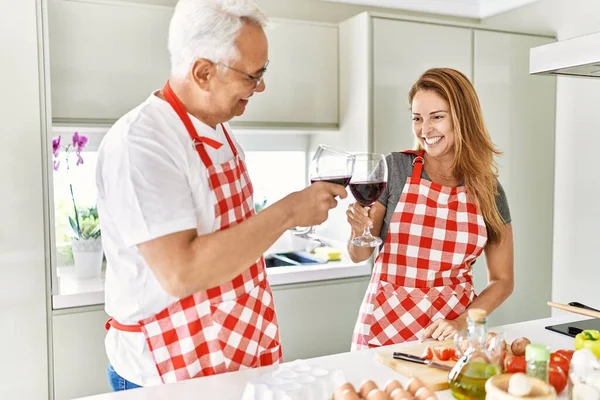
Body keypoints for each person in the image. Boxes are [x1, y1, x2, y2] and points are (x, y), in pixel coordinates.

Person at [96, 0, 346, 390]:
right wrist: (288, 213)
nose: (260, 86)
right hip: (165, 371)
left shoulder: (217, 129)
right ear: (203, 72)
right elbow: (182, 273)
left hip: (231, 356)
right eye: (252, 75)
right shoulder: (142, 143)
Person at [347, 68, 514, 350]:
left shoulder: (489, 189)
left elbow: (503, 280)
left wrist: (464, 321)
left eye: (437, 117)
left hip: (450, 337)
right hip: (383, 332)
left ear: (463, 118)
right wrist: (356, 231)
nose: (425, 129)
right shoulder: (394, 168)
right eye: (417, 118)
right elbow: (360, 253)